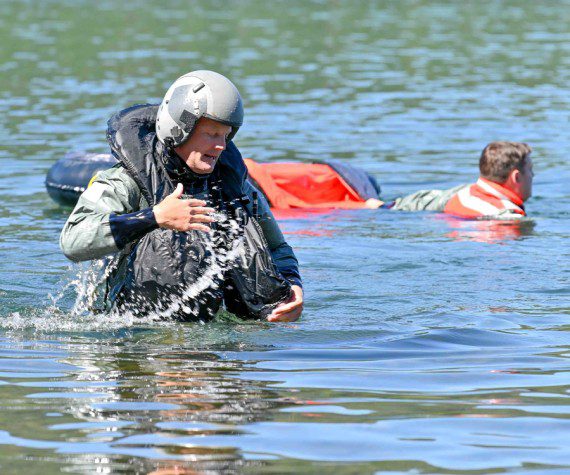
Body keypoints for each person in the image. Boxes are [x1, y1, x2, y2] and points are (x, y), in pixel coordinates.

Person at [60, 70, 303, 322]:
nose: (221, 145)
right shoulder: (126, 180)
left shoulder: (234, 186)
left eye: (225, 135)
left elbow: (276, 246)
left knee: (245, 229)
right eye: (211, 133)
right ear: (179, 130)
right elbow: (72, 241)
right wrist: (153, 218)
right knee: (163, 237)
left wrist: (293, 284)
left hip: (214, 328)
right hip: (136, 326)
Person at [391, 141, 534, 218]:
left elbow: (413, 203)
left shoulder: (460, 193)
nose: (532, 175)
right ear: (516, 177)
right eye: (530, 169)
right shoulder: (508, 216)